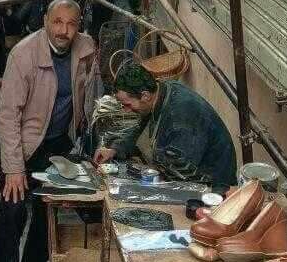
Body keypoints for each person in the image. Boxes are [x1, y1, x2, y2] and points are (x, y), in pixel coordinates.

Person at [0, 0, 99, 262]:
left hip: (57, 143)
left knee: (46, 210)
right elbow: (7, 116)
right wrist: (14, 168)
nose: (64, 30)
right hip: (24, 146)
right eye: (57, 22)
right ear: (45, 22)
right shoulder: (23, 55)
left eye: (71, 24)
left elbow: (89, 92)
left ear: (79, 26)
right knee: (13, 211)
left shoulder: (86, 48)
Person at [95, 63, 237, 188]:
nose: (126, 110)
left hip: (211, 187)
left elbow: (180, 173)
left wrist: (137, 179)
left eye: (127, 105)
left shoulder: (181, 115)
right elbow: (139, 130)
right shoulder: (158, 91)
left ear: (145, 96)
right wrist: (114, 149)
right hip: (183, 174)